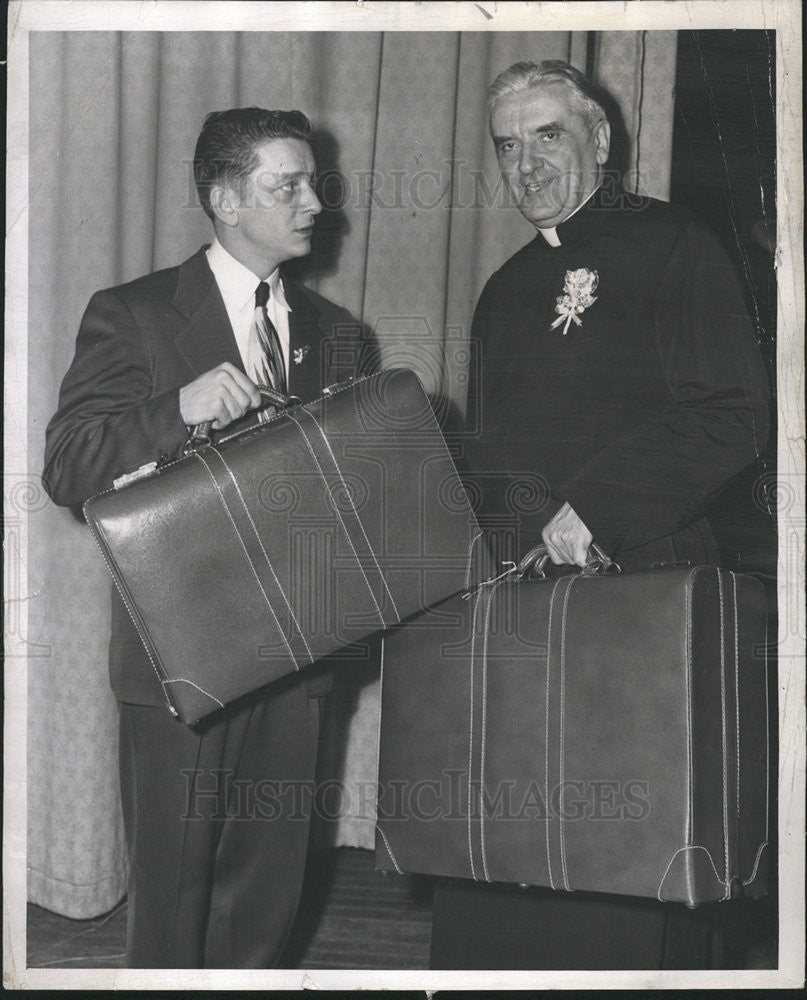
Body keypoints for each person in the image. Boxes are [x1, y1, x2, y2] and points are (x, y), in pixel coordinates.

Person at [430, 61, 771, 970]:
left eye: (548, 135)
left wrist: (597, 508)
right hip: (523, 618)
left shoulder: (672, 244)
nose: (527, 162)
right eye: (508, 144)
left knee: (626, 868)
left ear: (600, 142)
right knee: (508, 857)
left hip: (640, 595)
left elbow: (731, 415)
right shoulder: (501, 291)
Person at [43, 108, 369, 968]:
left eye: (312, 182)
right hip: (178, 658)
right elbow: (68, 468)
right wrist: (173, 409)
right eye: (286, 185)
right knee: (174, 893)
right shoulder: (136, 314)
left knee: (268, 895)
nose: (312, 202)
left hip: (297, 656)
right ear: (226, 199)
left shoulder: (341, 338)